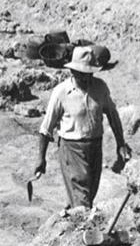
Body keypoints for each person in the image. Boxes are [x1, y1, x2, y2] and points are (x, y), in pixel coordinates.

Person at [34, 46, 131, 209]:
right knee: (83, 199)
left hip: (95, 147)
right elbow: (46, 128)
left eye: (90, 74)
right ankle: (83, 227)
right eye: (82, 75)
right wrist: (40, 159)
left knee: (89, 194)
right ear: (73, 72)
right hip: (72, 150)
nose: (86, 79)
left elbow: (113, 116)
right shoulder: (61, 92)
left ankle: (73, 217)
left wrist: (120, 143)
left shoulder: (100, 87)